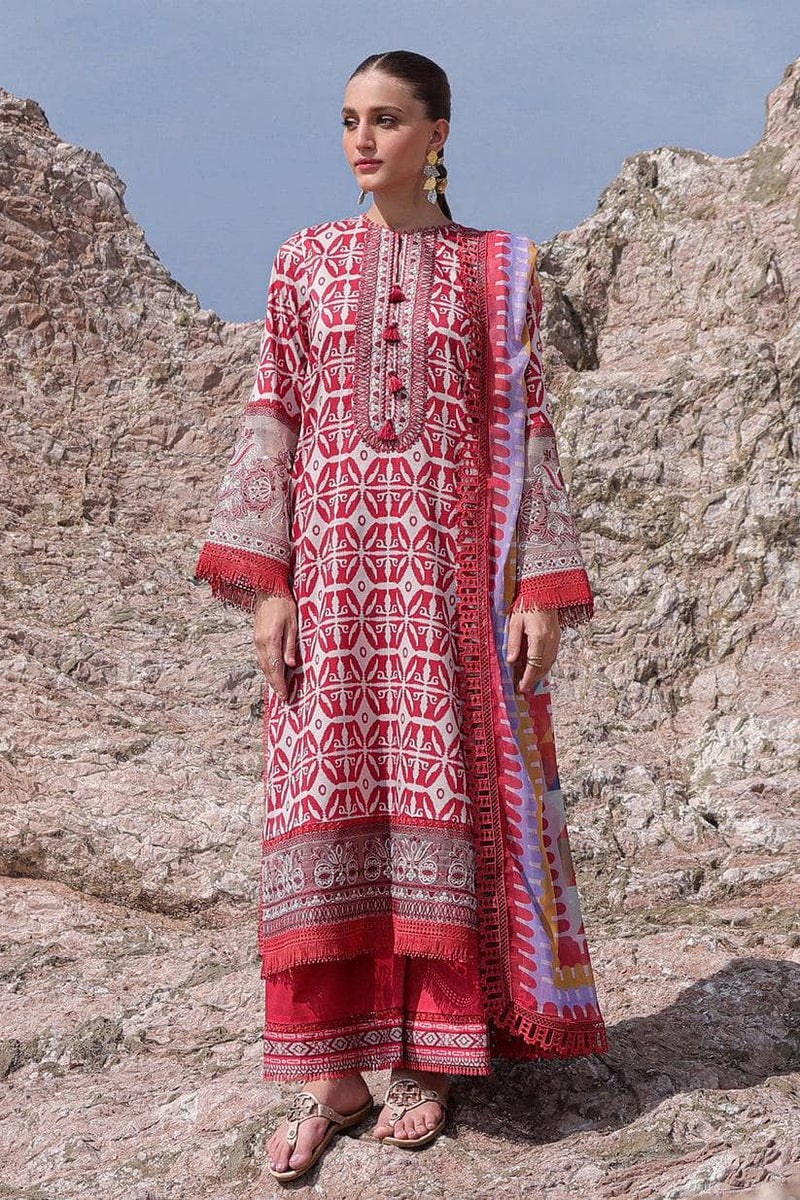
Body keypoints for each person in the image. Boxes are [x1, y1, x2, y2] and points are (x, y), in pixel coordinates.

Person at [194, 49, 609, 1184]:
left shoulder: (496, 269)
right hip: (332, 584)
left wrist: (539, 588)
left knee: (439, 806)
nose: (361, 141)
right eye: (348, 120)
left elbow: (528, 430)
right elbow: (273, 416)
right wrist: (269, 586)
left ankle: (428, 1056)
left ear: (437, 135)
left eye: (385, 119)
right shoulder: (304, 261)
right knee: (320, 801)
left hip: (443, 587)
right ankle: (331, 1074)